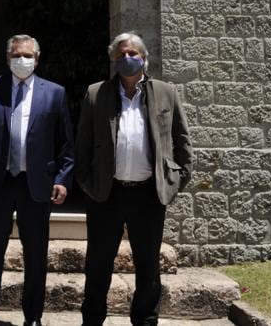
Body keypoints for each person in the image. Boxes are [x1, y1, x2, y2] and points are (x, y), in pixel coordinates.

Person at [75, 32, 192, 326]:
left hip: (148, 195)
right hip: (107, 194)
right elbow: (82, 146)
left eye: (133, 53)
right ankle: (92, 321)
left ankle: (145, 321)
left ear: (144, 58)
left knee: (148, 266)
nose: (128, 58)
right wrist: (88, 185)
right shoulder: (96, 94)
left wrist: (174, 182)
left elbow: (182, 142)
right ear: (114, 60)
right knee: (98, 265)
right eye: (121, 54)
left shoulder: (166, 92)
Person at [0, 34, 74, 326]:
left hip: (35, 184)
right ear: (7, 58)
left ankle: (33, 317)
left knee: (36, 255)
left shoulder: (55, 93)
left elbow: (65, 142)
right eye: (16, 55)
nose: (22, 60)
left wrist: (63, 178)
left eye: (27, 55)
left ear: (37, 59)